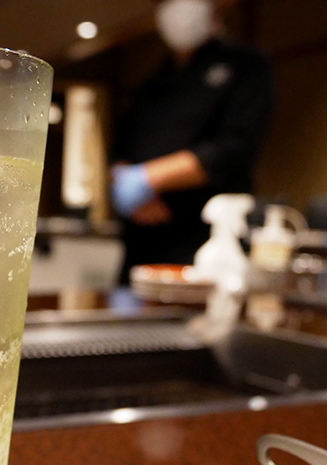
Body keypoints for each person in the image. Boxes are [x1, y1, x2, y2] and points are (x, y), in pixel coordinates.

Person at [111, 0, 276, 281]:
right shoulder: (151, 83)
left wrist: (149, 178)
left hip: (206, 237)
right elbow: (119, 147)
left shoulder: (247, 65)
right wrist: (126, 185)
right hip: (141, 241)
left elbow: (236, 147)